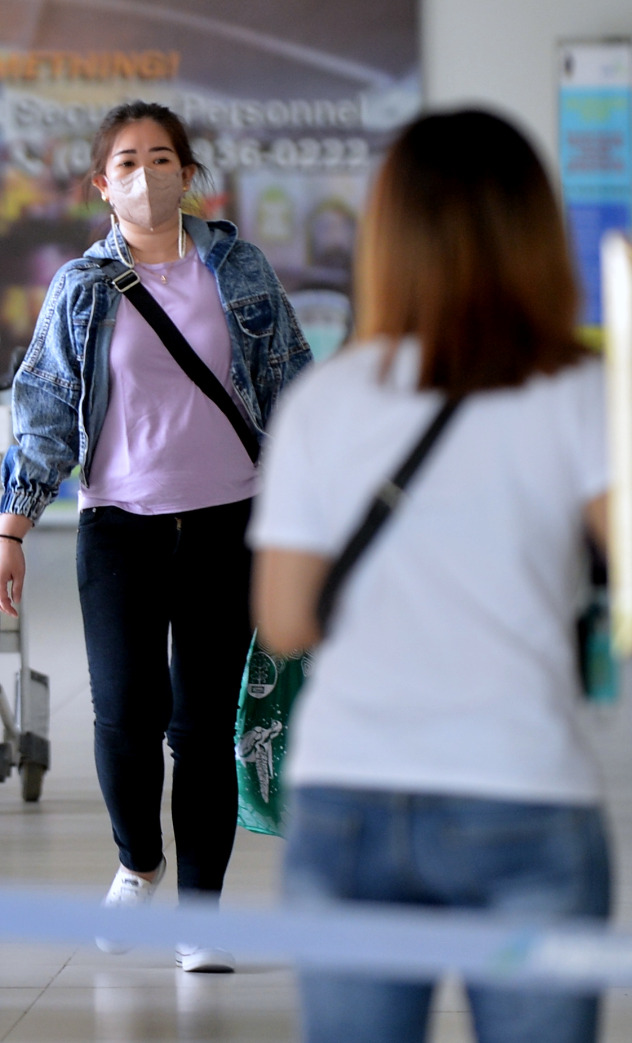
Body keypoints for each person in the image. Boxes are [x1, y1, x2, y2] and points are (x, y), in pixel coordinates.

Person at [251, 110, 610, 1043]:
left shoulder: (324, 401)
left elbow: (285, 620)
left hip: (349, 791)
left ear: (386, 236)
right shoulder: (584, 395)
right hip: (523, 786)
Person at [0, 100, 310, 973]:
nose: (145, 174)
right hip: (118, 529)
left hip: (228, 524)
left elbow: (292, 383)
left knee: (203, 729)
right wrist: (11, 528)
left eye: (162, 158)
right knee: (125, 716)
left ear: (189, 174)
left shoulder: (239, 267)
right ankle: (138, 861)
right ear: (102, 183)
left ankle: (201, 915)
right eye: (126, 161)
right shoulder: (81, 287)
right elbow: (46, 411)